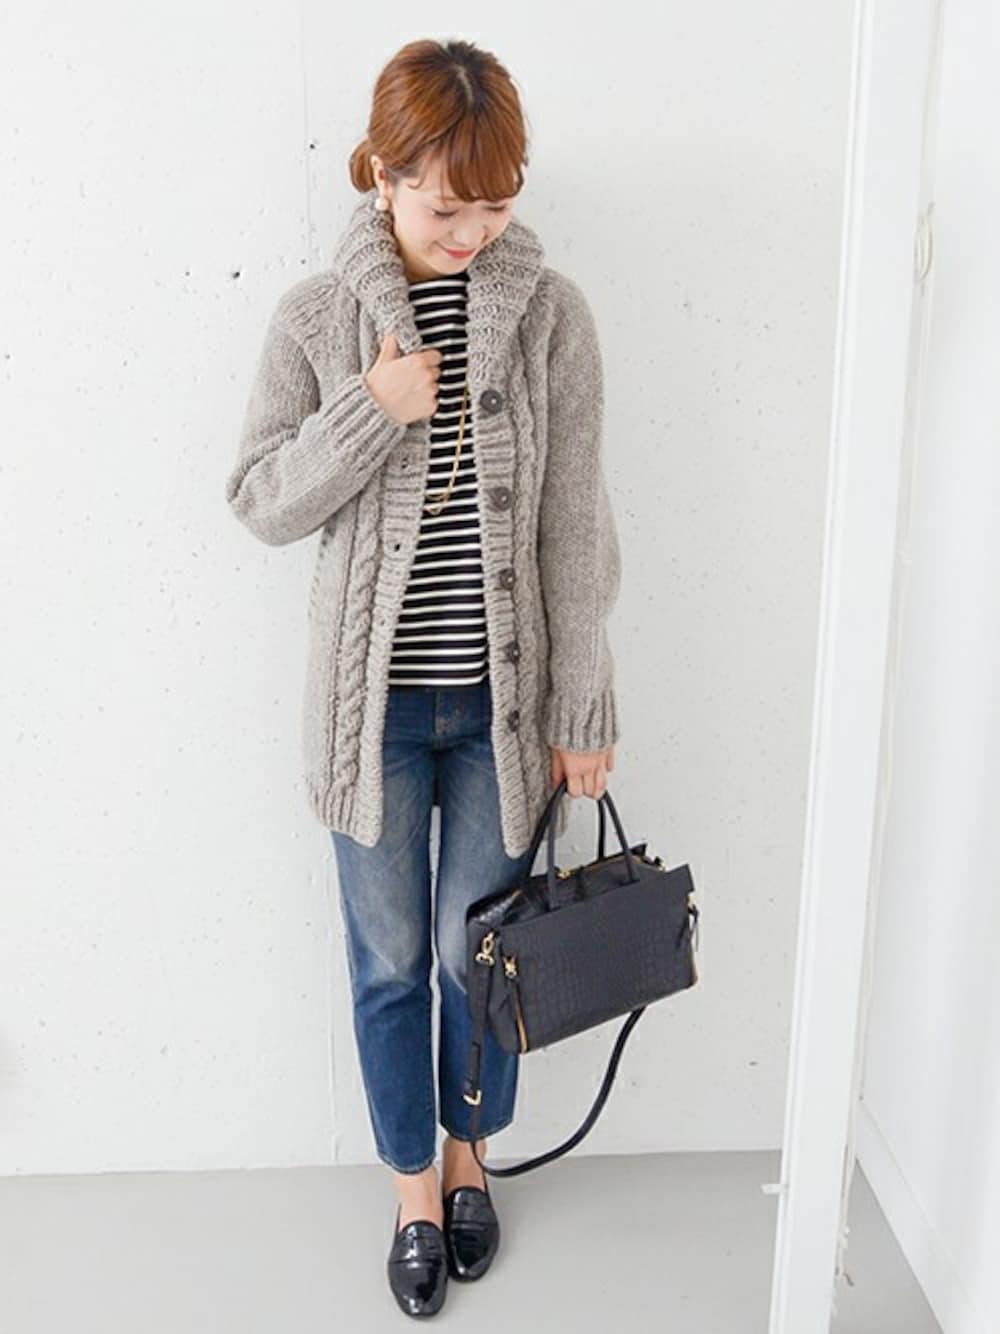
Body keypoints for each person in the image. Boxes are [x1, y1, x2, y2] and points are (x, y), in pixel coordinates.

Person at [225, 37, 622, 1318]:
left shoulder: (549, 317)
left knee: (478, 959)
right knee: (391, 961)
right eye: (445, 204)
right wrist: (369, 409)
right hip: (373, 722)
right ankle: (410, 1188)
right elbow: (258, 497)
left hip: (500, 715)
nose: (470, 231)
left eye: (493, 204)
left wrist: (581, 705)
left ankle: (469, 1162)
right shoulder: (314, 319)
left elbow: (575, 528)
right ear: (381, 173)